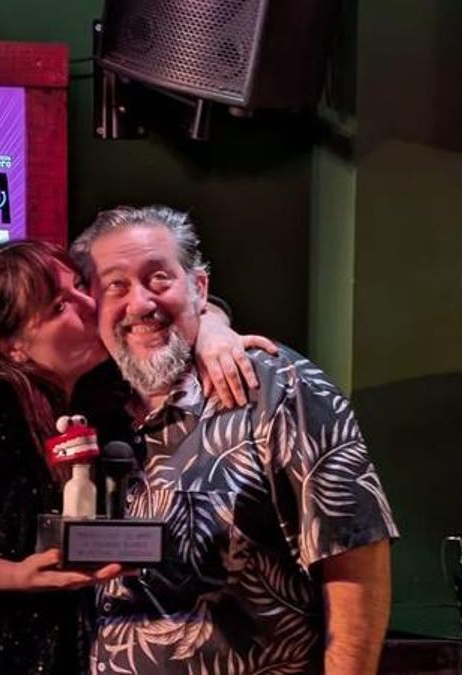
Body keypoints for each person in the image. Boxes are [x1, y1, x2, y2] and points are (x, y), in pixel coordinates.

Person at [0, 239, 270, 674]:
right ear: (13, 345)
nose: (89, 303)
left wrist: (214, 326)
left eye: (81, 286)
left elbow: (177, 306)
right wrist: (16, 575)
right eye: (59, 306)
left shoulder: (104, 391)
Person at [71, 205, 399, 674]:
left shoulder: (281, 390)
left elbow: (356, 560)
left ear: (199, 288)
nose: (140, 303)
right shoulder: (88, 401)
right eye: (116, 285)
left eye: (159, 278)